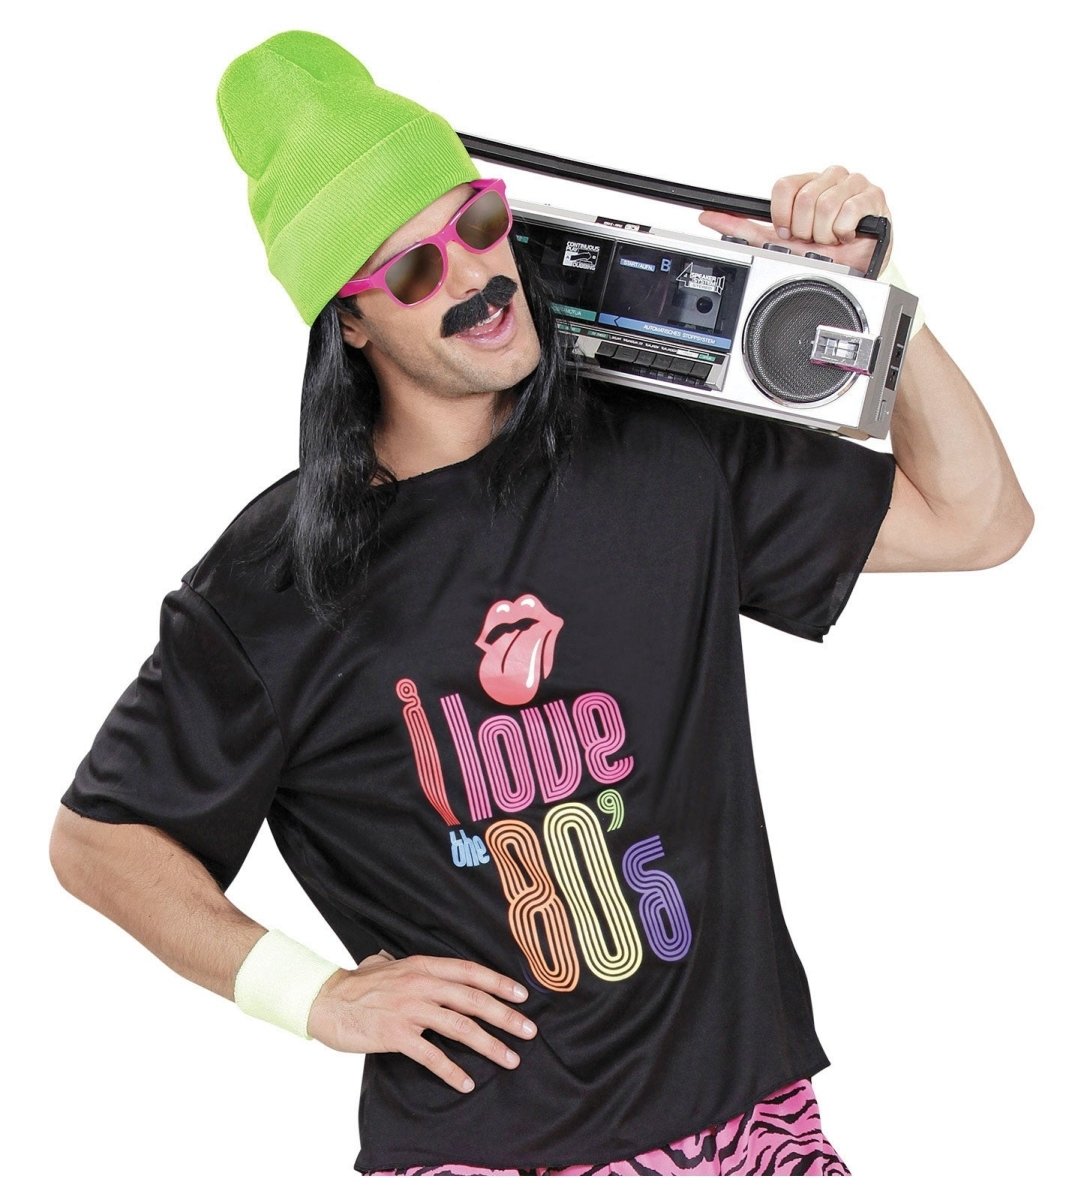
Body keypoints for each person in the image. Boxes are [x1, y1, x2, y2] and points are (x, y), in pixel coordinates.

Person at [48, 30, 1034, 1178]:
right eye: (409, 271)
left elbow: (979, 521)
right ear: (348, 323)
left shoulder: (660, 455)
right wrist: (314, 996)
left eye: (476, 223)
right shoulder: (278, 577)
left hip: (756, 1126)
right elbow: (100, 841)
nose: (471, 277)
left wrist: (869, 297)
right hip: (493, 1159)